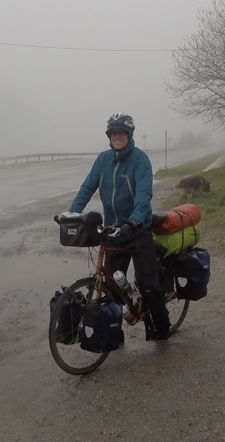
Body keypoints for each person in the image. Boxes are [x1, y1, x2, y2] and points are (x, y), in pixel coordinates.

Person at [67, 113, 171, 341]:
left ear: (129, 135)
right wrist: (72, 214)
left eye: (121, 133)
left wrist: (135, 220)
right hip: (114, 230)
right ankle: (114, 335)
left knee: (148, 285)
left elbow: (143, 193)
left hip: (137, 229)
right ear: (109, 137)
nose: (117, 137)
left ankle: (162, 328)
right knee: (111, 286)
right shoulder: (103, 160)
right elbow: (87, 187)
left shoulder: (140, 159)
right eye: (113, 134)